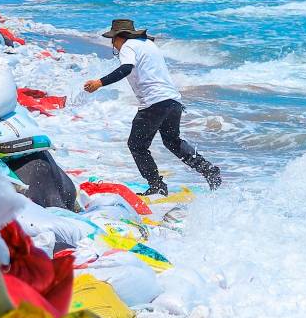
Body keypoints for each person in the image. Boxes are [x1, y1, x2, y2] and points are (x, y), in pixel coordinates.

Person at [83, 19, 222, 196]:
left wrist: (99, 83)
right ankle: (209, 171)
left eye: (113, 40)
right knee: (172, 141)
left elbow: (126, 68)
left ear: (119, 37)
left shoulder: (128, 46)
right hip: (172, 101)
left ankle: (157, 185)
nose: (113, 45)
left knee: (136, 145)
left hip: (154, 102)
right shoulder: (147, 44)